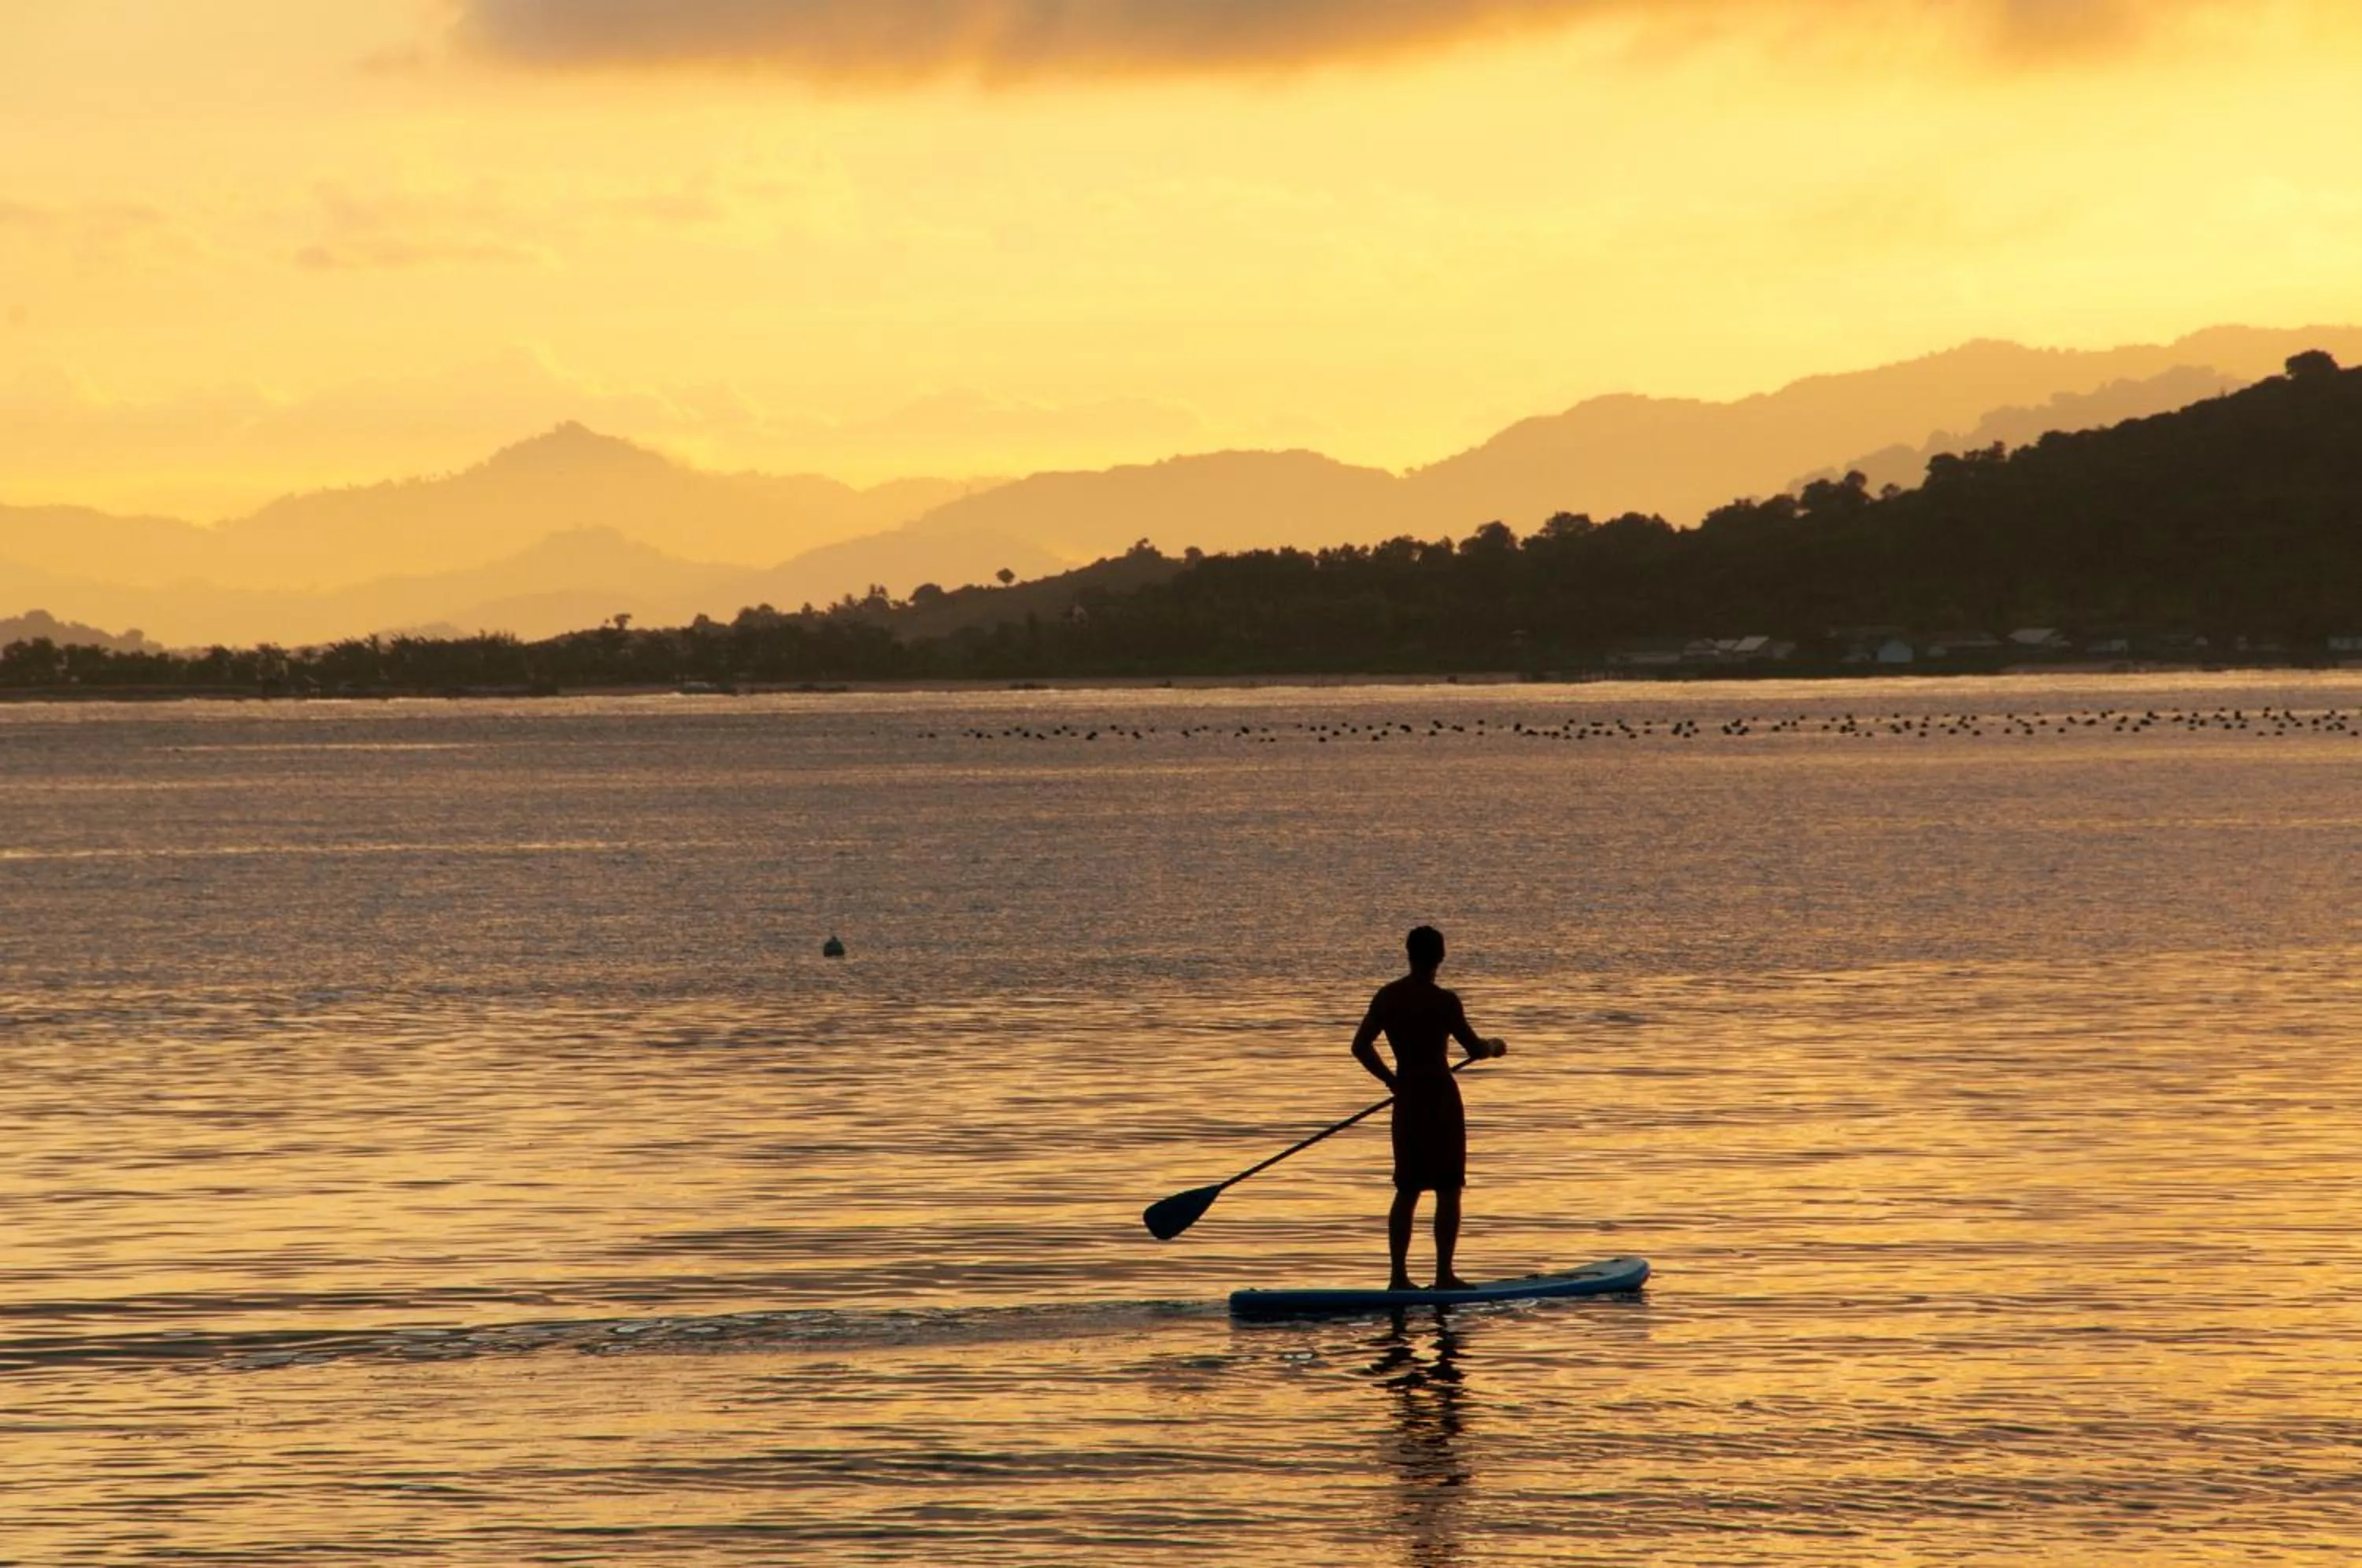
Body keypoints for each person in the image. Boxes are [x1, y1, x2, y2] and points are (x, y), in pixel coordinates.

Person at [1351, 926, 1507, 1290]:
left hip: (1407, 1102)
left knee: (1407, 1189)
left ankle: (1398, 1278)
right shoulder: (1445, 1001)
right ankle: (1443, 1275)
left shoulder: (1387, 997)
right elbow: (1474, 1048)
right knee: (1448, 1188)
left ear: (1408, 954)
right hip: (1440, 1101)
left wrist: (1392, 1082)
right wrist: (1495, 1045)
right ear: (1441, 957)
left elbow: (1360, 1047)